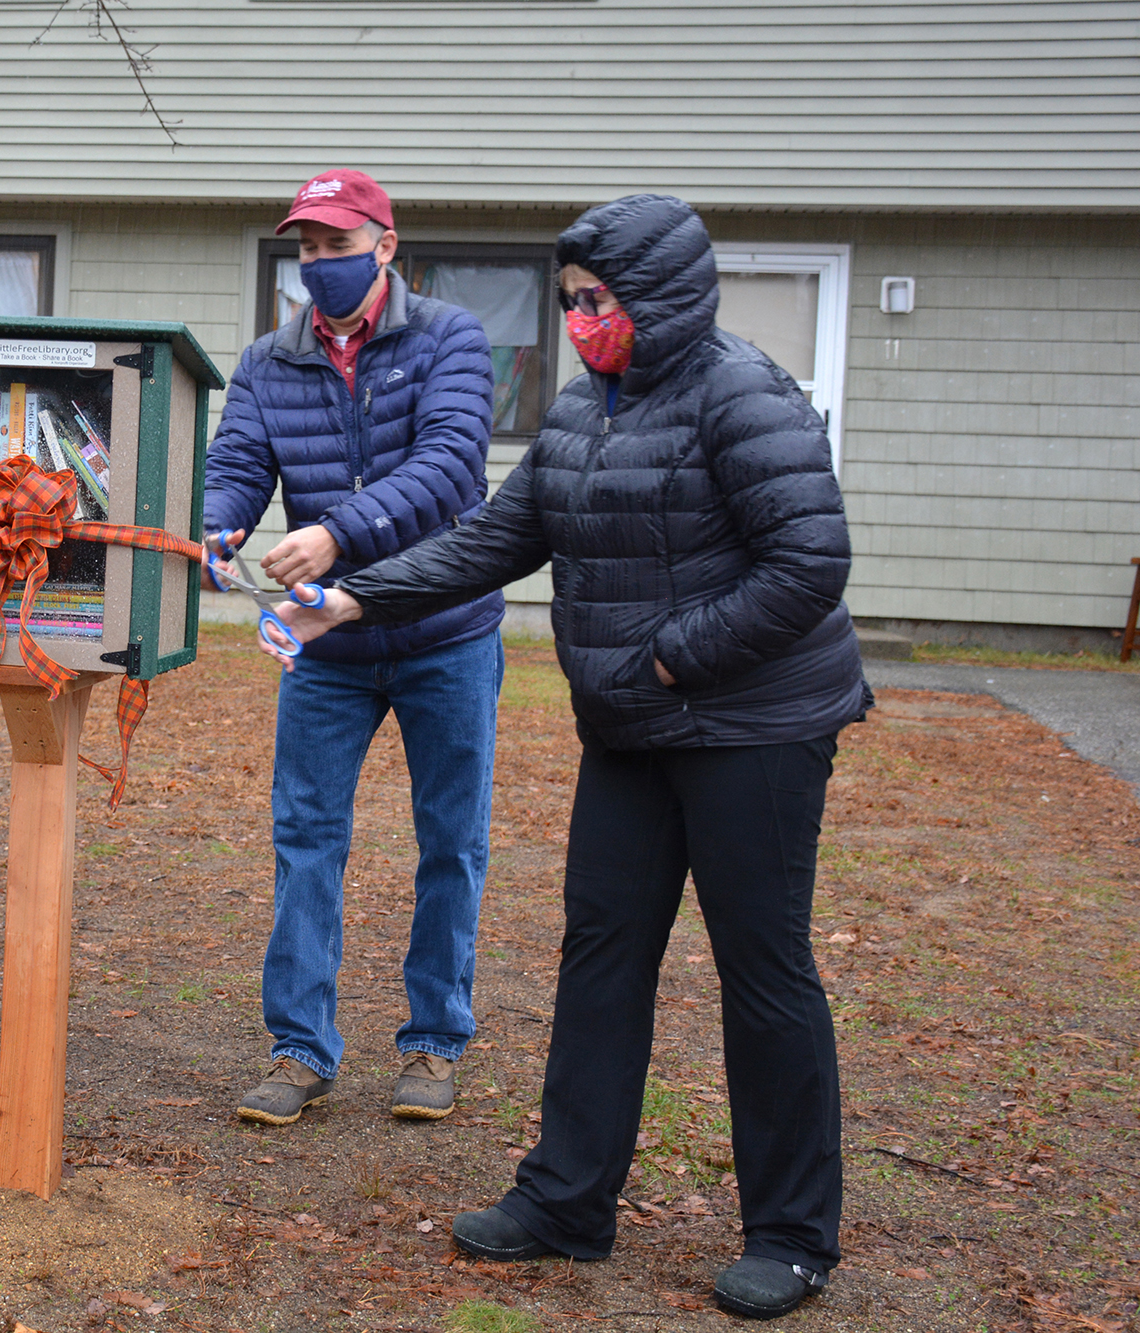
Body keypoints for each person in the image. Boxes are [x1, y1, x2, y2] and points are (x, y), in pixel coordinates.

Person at [269, 194, 868, 1320]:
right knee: (601, 956)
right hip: (634, 727)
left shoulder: (741, 393)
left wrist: (670, 659)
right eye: (571, 302)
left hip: (754, 729)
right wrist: (350, 598)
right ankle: (566, 1199)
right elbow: (499, 537)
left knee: (762, 970)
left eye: (599, 300)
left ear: (663, 295)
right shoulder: (587, 406)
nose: (582, 319)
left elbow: (807, 563)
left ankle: (791, 1234)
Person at [204, 169, 505, 1127]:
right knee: (305, 839)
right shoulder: (267, 362)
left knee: (450, 841)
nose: (320, 263)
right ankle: (300, 1048)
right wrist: (213, 526)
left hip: (447, 633)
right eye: (307, 248)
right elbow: (238, 465)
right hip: (327, 650)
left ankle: (434, 1039)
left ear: (385, 246)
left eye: (338, 245)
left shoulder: (450, 337)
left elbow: (450, 466)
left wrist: (337, 533)